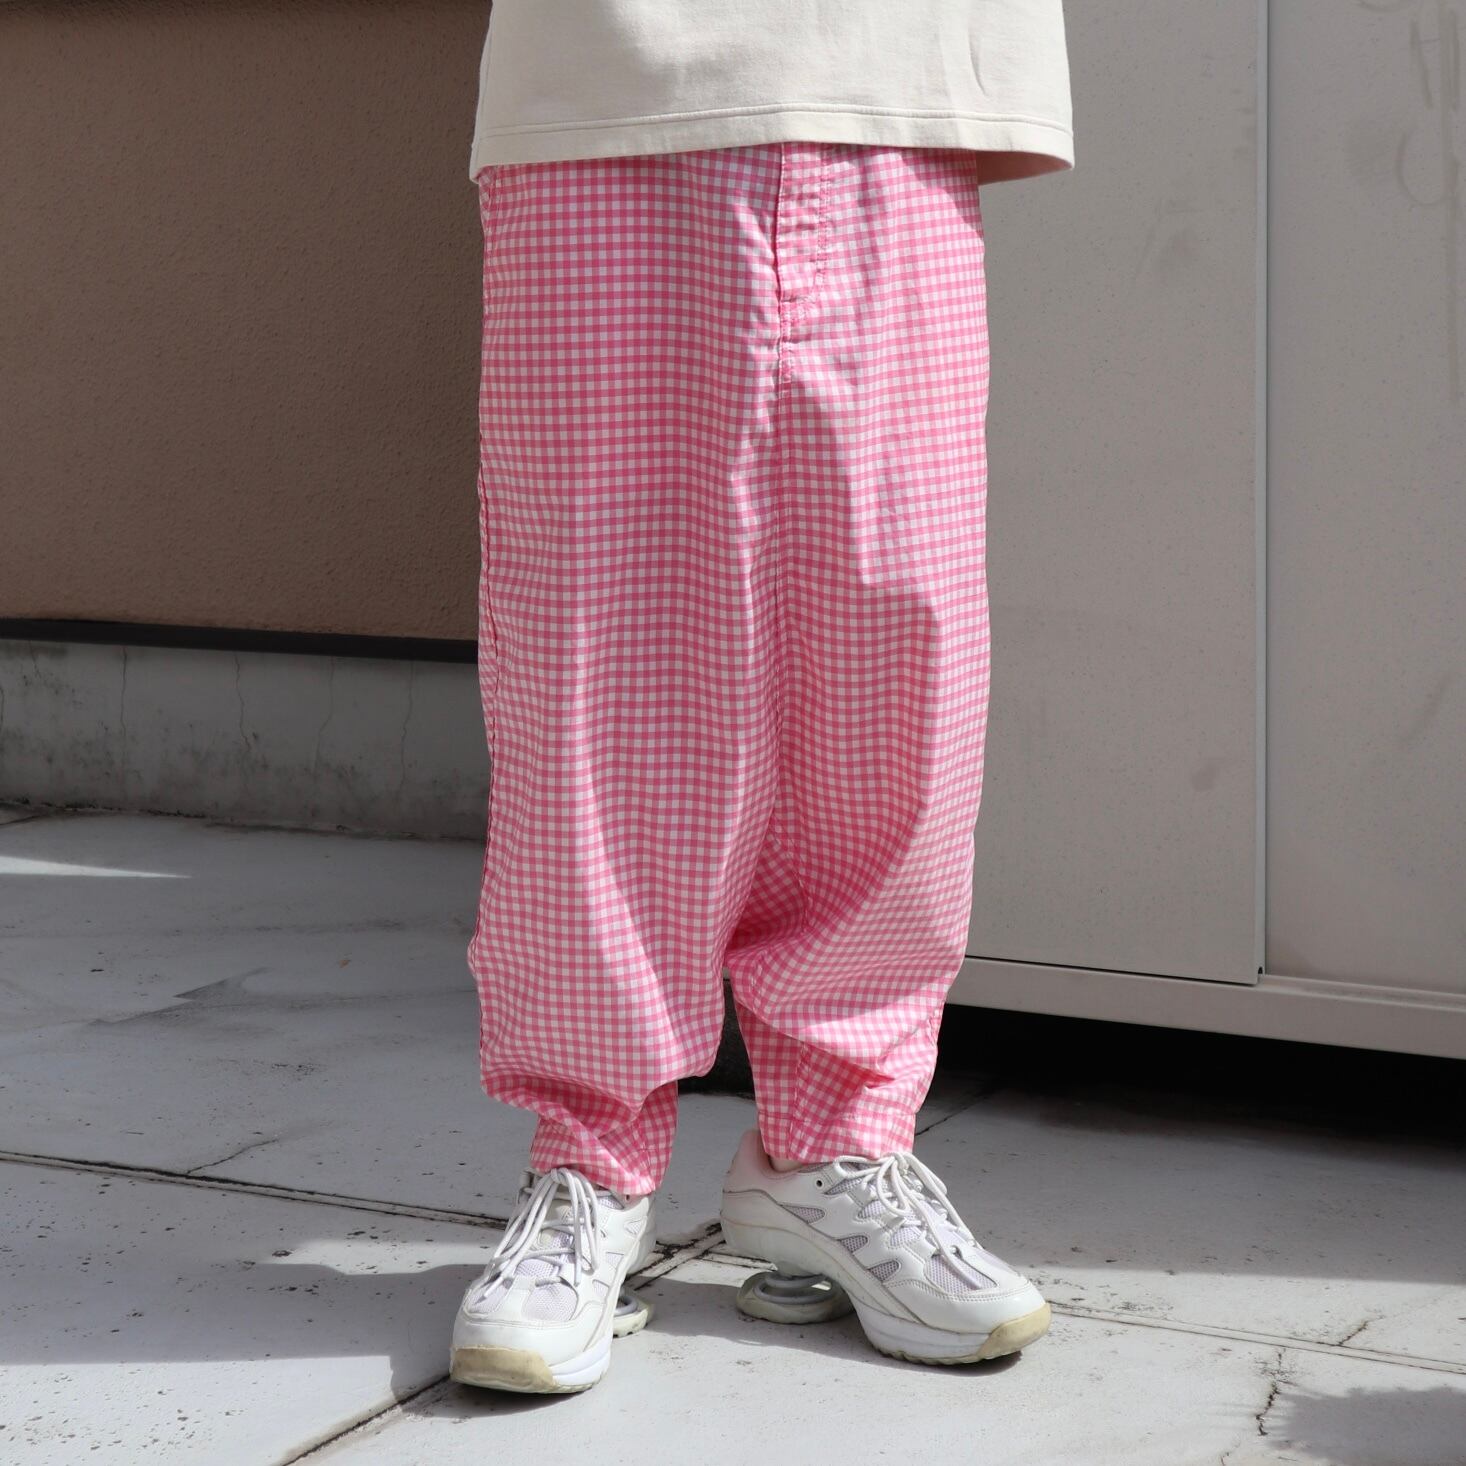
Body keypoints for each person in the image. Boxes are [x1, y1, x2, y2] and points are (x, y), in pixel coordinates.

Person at [449, 0, 1075, 1395]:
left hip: (893, 68)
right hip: (614, 73)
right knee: (603, 649)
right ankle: (590, 1159)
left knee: (891, 643)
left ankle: (835, 1146)